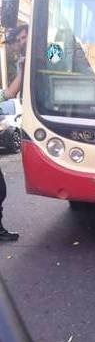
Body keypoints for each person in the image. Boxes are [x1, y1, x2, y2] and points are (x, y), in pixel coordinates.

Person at [0, 24, 28, 242]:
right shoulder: (23, 59)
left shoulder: (51, 47)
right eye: (19, 39)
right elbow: (9, 93)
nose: (21, 42)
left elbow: (57, 59)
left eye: (24, 37)